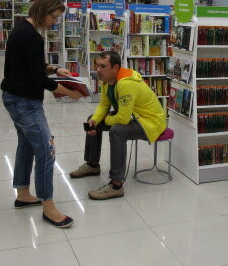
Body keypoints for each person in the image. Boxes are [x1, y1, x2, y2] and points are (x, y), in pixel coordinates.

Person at [1, 0, 82, 228]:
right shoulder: (32, 37)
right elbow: (39, 79)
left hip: (14, 97)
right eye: (53, 17)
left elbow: (29, 66)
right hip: (26, 102)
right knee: (47, 151)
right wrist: (70, 92)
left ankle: (23, 194)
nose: (54, 22)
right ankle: (49, 207)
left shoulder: (22, 30)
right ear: (43, 12)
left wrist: (55, 69)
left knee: (26, 145)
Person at [69, 51, 167, 200]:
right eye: (97, 66)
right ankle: (92, 165)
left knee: (117, 131)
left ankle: (116, 185)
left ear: (115, 68)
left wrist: (107, 119)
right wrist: (95, 120)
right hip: (135, 117)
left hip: (150, 122)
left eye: (103, 66)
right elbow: (104, 105)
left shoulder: (125, 83)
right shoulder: (107, 81)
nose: (98, 70)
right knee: (92, 119)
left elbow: (123, 119)